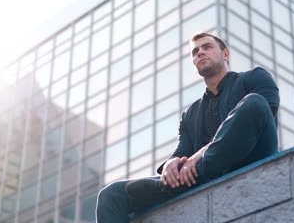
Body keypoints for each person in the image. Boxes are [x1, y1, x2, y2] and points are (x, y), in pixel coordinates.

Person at [96, 32, 280, 222]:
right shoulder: (191, 114)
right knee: (111, 195)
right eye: (195, 51)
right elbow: (182, 151)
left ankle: (197, 173)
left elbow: (265, 109)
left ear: (226, 54)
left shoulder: (254, 78)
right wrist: (171, 163)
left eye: (207, 47)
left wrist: (199, 155)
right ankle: (193, 176)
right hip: (194, 177)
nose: (199, 53)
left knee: (254, 103)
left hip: (253, 157)